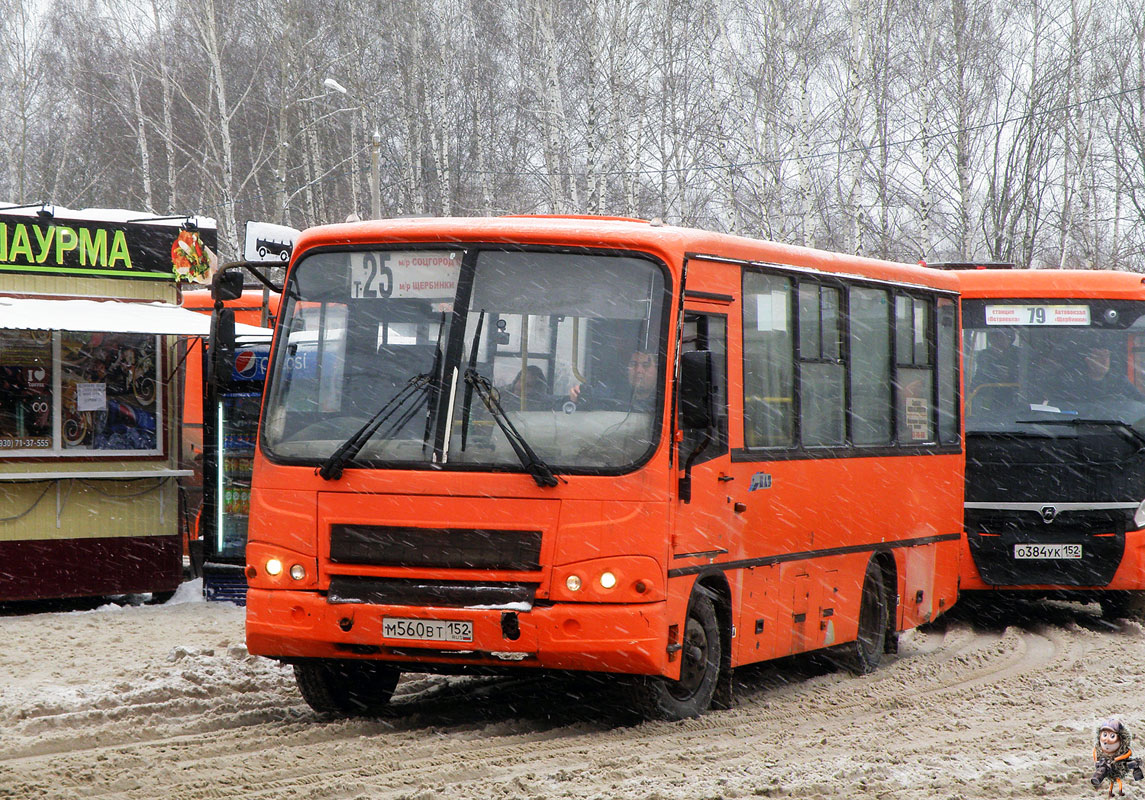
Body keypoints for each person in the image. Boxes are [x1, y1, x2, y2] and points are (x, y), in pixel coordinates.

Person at [569, 348, 657, 412]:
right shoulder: (614, 390)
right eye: (633, 364)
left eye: (645, 365)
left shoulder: (663, 400)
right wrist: (578, 396)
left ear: (657, 371)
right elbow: (594, 397)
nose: (638, 370)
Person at [1091, 717, 1143, 797]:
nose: (1106, 740)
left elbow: (1128, 753)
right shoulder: (1098, 749)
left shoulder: (1122, 750)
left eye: (1112, 736)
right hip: (1109, 766)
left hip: (1118, 767)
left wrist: (1117, 759)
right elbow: (1095, 751)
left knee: (1118, 779)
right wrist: (1097, 762)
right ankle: (1110, 792)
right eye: (1104, 735)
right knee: (1111, 781)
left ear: (1121, 738)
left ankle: (1120, 791)